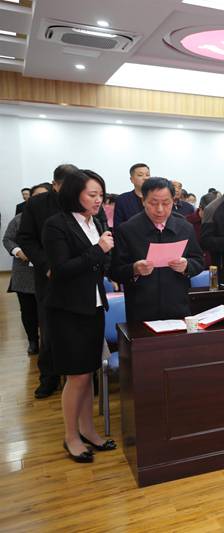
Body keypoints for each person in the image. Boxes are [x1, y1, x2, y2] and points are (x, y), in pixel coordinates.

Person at [42, 168, 116, 462]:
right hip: (67, 309)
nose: (99, 200)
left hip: (93, 306)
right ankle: (71, 436)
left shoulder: (95, 222)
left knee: (89, 373)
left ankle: (88, 430)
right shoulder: (56, 225)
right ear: (75, 194)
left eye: (101, 195)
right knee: (77, 377)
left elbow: (98, 264)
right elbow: (61, 270)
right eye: (92, 195)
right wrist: (99, 250)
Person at [17, 164, 78, 399]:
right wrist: (46, 265)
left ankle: (82, 375)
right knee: (50, 329)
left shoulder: (81, 199)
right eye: (66, 186)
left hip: (79, 274)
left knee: (79, 327)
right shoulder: (36, 204)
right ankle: (49, 378)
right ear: (55, 184)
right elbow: (26, 238)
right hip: (49, 276)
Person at [111, 178, 204, 321]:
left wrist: (187, 265)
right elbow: (114, 271)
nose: (160, 209)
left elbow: (198, 261)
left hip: (178, 307)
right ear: (143, 201)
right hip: (140, 310)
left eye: (166, 203)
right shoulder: (127, 230)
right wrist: (134, 269)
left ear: (173, 201)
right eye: (153, 203)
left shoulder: (185, 227)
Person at [3, 183, 50, 355]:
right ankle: (32, 340)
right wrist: (17, 251)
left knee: (46, 310)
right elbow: (8, 239)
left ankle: (48, 342)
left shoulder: (58, 219)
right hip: (24, 273)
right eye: (36, 196)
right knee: (28, 310)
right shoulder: (19, 219)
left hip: (48, 273)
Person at [186, 191, 217, 267]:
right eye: (208, 213)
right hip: (194, 266)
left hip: (215, 266)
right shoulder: (187, 222)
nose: (211, 217)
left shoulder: (218, 221)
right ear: (200, 208)